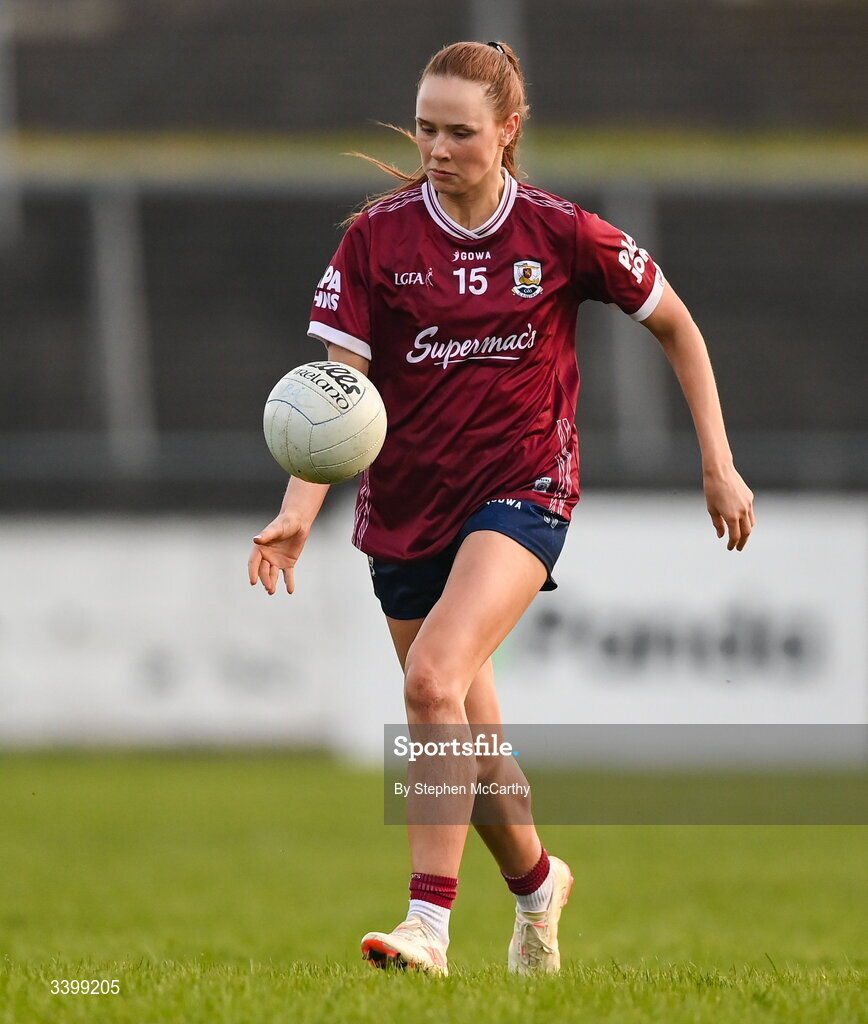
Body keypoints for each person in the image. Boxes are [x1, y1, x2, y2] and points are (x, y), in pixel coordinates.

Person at [248, 40, 755, 977]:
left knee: (432, 684)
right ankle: (537, 886)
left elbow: (679, 326)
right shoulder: (375, 240)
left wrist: (717, 464)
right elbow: (337, 395)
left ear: (509, 131)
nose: (436, 147)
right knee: (469, 744)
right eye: (425, 127)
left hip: (523, 489)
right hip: (403, 508)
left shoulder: (564, 234)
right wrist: (297, 510)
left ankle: (427, 929)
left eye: (459, 131)